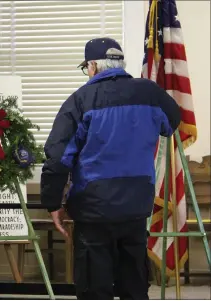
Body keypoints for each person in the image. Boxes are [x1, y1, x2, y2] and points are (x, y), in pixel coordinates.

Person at [40, 37, 181, 299]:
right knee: (134, 285)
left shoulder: (80, 101)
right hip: (136, 206)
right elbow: (171, 122)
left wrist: (52, 203)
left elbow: (57, 158)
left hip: (94, 210)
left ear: (93, 66)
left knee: (95, 287)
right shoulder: (150, 93)